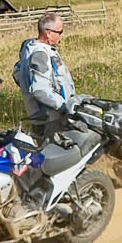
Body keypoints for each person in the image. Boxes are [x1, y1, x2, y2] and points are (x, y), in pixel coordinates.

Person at [13, 10, 85, 176]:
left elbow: (16, 73)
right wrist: (65, 106)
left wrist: (26, 86)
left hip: (40, 117)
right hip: (50, 119)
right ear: (48, 33)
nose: (61, 36)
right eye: (59, 32)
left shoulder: (28, 48)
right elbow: (40, 91)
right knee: (58, 164)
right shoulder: (40, 54)